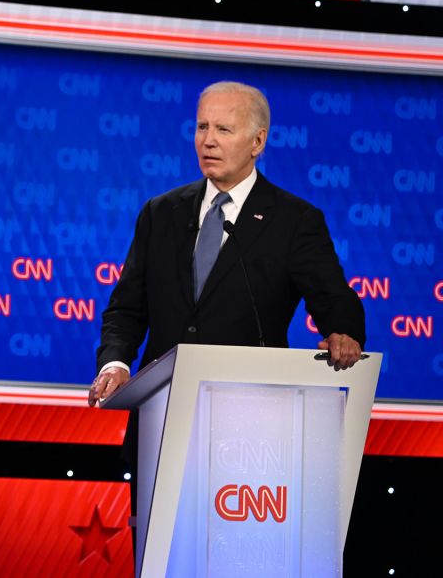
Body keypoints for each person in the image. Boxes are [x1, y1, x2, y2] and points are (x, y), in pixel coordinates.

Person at [88, 80, 365, 413]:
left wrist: (343, 332)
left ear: (257, 141)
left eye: (223, 129)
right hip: (162, 409)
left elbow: (333, 298)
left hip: (250, 414)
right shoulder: (160, 213)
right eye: (202, 127)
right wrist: (115, 362)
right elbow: (126, 308)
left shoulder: (294, 220)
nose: (208, 141)